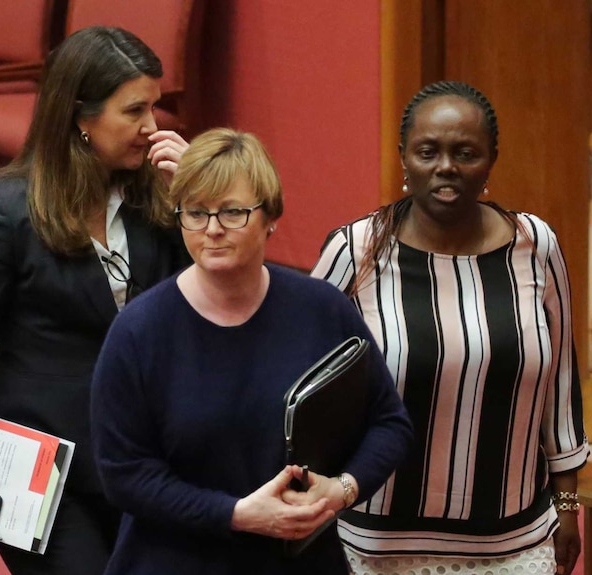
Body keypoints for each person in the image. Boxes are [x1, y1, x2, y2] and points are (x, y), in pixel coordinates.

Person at [0, 26, 192, 575]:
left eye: (154, 108)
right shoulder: (7, 209)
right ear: (79, 116)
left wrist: (200, 194)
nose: (152, 127)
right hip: (40, 468)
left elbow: (210, 305)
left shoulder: (159, 197)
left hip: (139, 456)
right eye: (134, 110)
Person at [90, 128, 414, 574]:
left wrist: (342, 489)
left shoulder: (322, 310)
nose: (213, 229)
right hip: (173, 561)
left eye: (233, 212)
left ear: (270, 216)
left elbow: (389, 422)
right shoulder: (139, 331)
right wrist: (237, 515)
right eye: (196, 213)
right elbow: (124, 474)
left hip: (296, 563)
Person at [311, 80, 589, 575]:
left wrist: (567, 508)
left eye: (465, 152)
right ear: (403, 159)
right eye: (428, 151)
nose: (446, 167)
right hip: (377, 545)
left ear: (491, 160)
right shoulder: (356, 251)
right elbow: (305, 382)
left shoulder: (535, 245)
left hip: (513, 542)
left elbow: (561, 384)